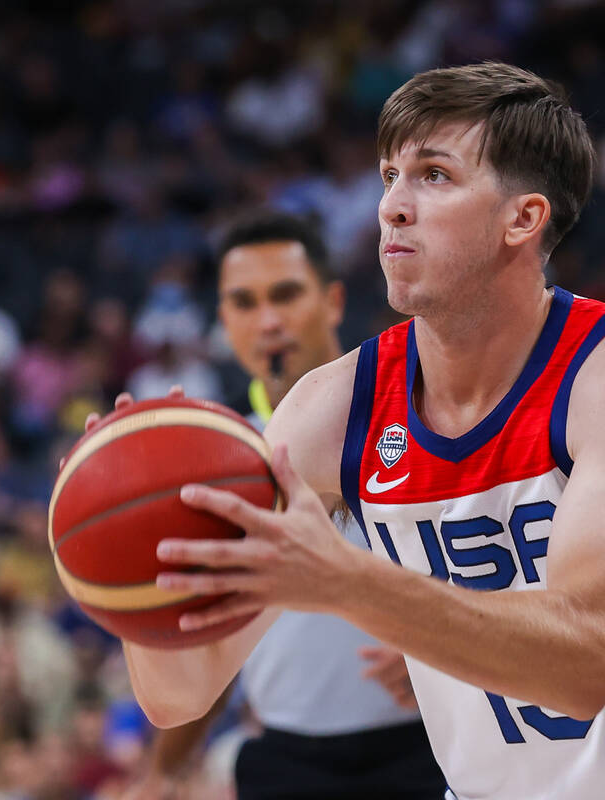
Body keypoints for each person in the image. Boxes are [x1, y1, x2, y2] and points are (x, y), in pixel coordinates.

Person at [104, 63, 605, 799]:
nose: (391, 205)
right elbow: (181, 693)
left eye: (434, 176)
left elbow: (583, 663)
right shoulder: (330, 408)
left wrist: (344, 581)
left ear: (523, 218)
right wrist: (137, 549)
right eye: (390, 174)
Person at [123, 212, 445, 799]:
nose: (268, 321)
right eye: (244, 303)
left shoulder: (419, 415)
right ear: (223, 320)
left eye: (287, 295)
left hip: (430, 744)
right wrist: (163, 771)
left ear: (332, 300)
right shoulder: (207, 460)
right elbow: (212, 637)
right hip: (287, 759)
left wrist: (445, 647)